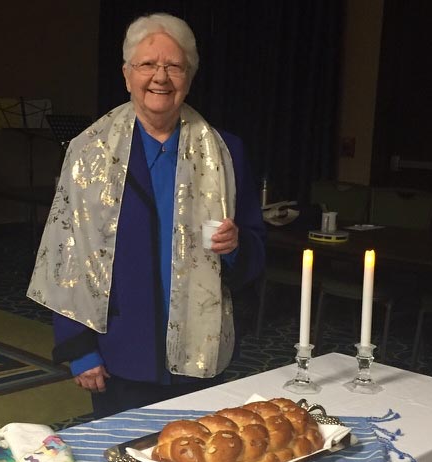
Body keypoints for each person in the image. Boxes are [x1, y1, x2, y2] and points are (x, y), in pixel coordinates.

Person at [27, 13, 265, 419]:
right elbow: (65, 253)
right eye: (147, 65)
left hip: (199, 352)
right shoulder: (90, 150)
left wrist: (236, 246)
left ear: (189, 75)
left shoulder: (226, 150)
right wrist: (79, 348)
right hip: (119, 350)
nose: (161, 76)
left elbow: (255, 242)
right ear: (126, 74)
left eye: (173, 65)